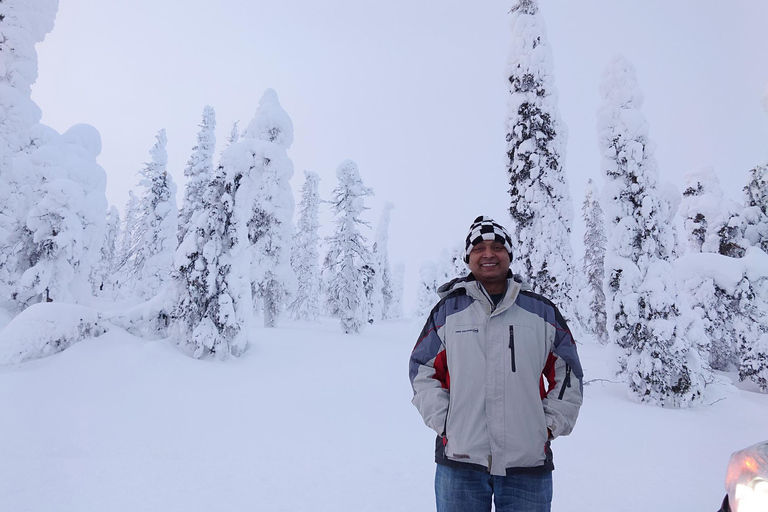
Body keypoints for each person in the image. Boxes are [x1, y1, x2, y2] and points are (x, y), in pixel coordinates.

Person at [409, 216, 583, 512]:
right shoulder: (448, 311)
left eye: (497, 246)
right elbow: (422, 370)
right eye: (479, 247)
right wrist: (447, 423)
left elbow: (569, 373)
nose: (488, 254)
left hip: (526, 465)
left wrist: (548, 426)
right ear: (468, 257)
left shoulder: (541, 311)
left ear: (509, 255)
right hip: (460, 462)